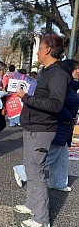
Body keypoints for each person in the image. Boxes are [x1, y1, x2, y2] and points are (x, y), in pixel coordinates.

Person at [14, 33, 71, 227]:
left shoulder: (58, 74)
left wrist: (27, 98)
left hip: (42, 128)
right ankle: (32, 205)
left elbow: (55, 104)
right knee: (30, 168)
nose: (37, 52)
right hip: (33, 126)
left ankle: (41, 218)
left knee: (36, 170)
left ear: (47, 50)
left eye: (39, 48)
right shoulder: (46, 72)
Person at [13, 59, 79, 191]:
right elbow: (58, 105)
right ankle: (22, 171)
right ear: (69, 69)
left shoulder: (71, 83)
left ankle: (58, 183)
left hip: (65, 124)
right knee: (52, 154)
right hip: (58, 123)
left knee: (62, 156)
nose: (78, 71)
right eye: (76, 68)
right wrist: (70, 116)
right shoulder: (62, 82)